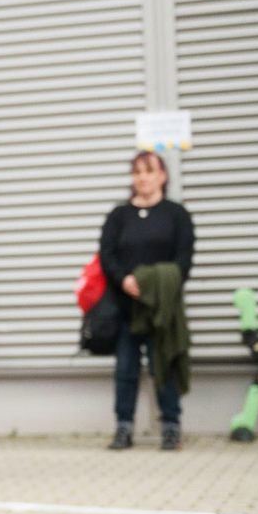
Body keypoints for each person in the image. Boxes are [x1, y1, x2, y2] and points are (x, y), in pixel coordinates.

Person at [99, 151, 194, 451]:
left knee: (163, 367)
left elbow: (183, 261)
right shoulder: (119, 216)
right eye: (137, 171)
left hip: (162, 312)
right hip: (126, 309)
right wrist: (125, 280)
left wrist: (155, 286)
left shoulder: (176, 214)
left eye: (149, 171)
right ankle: (124, 428)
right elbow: (107, 256)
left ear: (162, 176)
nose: (143, 177)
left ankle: (171, 428)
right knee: (125, 371)